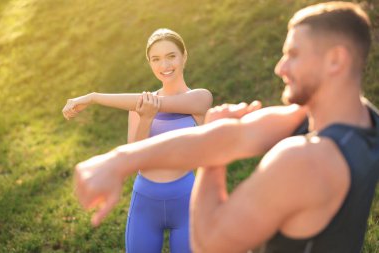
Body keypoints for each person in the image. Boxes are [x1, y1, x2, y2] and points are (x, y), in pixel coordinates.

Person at [73, 2, 379, 253]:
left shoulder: (302, 161)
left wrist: (212, 163)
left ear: (336, 60)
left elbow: (210, 242)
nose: (280, 67)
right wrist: (118, 160)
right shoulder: (362, 118)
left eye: (293, 54)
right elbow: (238, 135)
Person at [63, 29, 212, 253]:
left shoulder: (200, 98)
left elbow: (162, 103)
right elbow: (135, 161)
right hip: (145, 202)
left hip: (186, 200)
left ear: (184, 56)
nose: (165, 65)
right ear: (150, 63)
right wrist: (146, 118)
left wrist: (94, 97)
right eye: (156, 59)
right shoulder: (138, 109)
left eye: (171, 56)